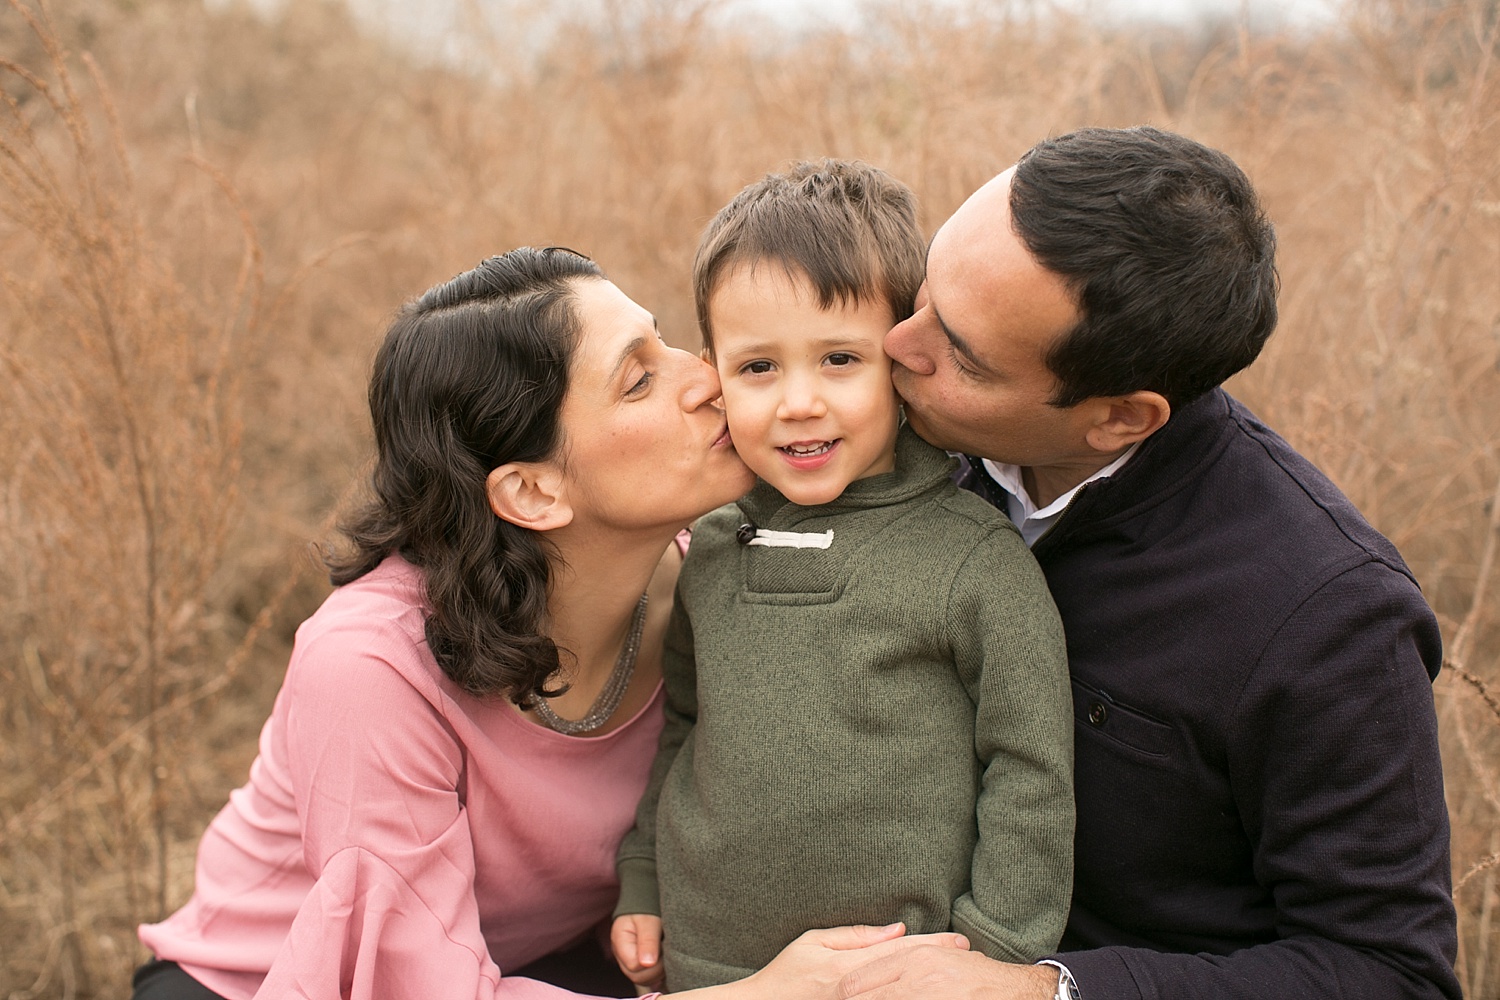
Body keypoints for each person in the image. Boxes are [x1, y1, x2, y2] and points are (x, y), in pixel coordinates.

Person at [132, 247, 968, 1000]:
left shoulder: (724, 575)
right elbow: (402, 985)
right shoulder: (368, 667)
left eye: (667, 339)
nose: (709, 375)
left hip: (540, 964)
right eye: (638, 379)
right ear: (533, 491)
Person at [836, 126, 1462, 1000]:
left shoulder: (1325, 616)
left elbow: (1389, 971)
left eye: (964, 355)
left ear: (1119, 420)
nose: (898, 343)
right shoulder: (879, 435)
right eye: (927, 290)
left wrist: (1044, 992)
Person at [610, 161, 1075, 994]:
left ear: (901, 358)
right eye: (758, 368)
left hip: (903, 978)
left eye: (838, 360)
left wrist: (992, 952)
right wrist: (642, 876)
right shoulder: (713, 546)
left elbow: (1030, 770)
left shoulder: (973, 562)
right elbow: (683, 722)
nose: (798, 402)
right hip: (712, 973)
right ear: (714, 369)